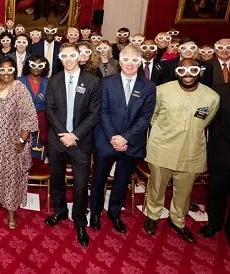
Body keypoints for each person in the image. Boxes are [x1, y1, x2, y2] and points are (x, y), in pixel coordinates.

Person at [144, 59, 220, 243]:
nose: (187, 74)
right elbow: (152, 116)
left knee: (184, 191)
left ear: (200, 72)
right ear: (177, 72)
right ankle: (153, 215)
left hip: (192, 151)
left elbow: (206, 121)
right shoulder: (161, 91)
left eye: (192, 69)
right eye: (183, 70)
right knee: (157, 186)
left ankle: (177, 220)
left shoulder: (212, 97)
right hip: (162, 148)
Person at [89, 45, 156, 233]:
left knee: (122, 180)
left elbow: (145, 117)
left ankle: (115, 213)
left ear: (140, 62)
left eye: (135, 60)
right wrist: (113, 137)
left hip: (131, 143)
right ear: (120, 62)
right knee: (99, 179)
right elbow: (102, 111)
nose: (130, 64)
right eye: (126, 60)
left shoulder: (149, 86)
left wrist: (125, 138)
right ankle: (95, 212)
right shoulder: (106, 82)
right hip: (105, 140)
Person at [44, 43, 101, 248]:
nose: (68, 59)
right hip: (57, 139)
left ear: (80, 57)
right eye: (64, 56)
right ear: (60, 58)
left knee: (79, 185)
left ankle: (79, 221)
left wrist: (74, 135)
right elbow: (49, 109)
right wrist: (64, 135)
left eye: (72, 55)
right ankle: (60, 212)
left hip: (81, 142)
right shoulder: (54, 80)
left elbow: (95, 113)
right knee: (57, 179)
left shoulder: (93, 82)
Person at [0, 58, 38, 229]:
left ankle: (12, 211)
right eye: (2, 70)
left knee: (11, 175)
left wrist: (22, 139)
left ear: (15, 70)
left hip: (12, 142)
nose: (6, 73)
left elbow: (29, 116)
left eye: (10, 70)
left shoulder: (19, 88)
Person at [199, 81, 230, 242]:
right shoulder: (218, 91)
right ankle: (214, 223)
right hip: (221, 150)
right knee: (217, 189)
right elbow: (207, 118)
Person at [19, 56, 50, 150]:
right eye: (33, 65)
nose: (36, 68)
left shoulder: (48, 82)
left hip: (42, 114)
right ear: (29, 66)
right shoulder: (19, 81)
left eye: (40, 66)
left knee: (45, 138)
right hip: (23, 115)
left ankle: (45, 157)